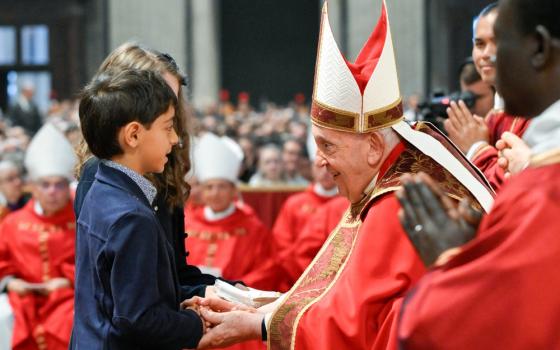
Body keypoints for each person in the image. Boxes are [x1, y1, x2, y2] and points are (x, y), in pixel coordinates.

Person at [193, 2, 494, 349]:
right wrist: (253, 305)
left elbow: (350, 323)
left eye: (329, 146)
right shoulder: (398, 168)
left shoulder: (398, 199)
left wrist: (255, 324)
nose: (319, 161)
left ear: (372, 147)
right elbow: (335, 294)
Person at [397, 0, 560, 347]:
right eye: (480, 44)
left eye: (500, 41)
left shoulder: (547, 191)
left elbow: (472, 324)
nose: (486, 58)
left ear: (539, 48)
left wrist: (450, 261)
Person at [72, 69, 203, 349]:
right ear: (133, 135)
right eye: (168, 127)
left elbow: (119, 296)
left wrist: (176, 303)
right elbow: (138, 320)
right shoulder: (131, 217)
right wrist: (196, 321)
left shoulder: (100, 189)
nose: (175, 139)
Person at [73, 43, 218, 292]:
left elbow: (176, 272)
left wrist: (237, 294)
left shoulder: (164, 169)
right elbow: (128, 298)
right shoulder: (98, 178)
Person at [0, 123, 76, 350]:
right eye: (45, 185)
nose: (52, 192)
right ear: (33, 188)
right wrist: (11, 283)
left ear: (67, 186)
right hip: (22, 301)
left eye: (59, 185)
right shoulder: (13, 222)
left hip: (66, 299)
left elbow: (95, 264)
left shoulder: (82, 221)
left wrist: (68, 280)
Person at [444, 2, 530, 191]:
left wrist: (476, 148)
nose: (486, 54)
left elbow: (516, 192)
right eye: (479, 44)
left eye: (497, 41)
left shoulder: (542, 113)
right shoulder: (492, 118)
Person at [185, 133, 273, 290]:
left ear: (234, 191)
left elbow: (266, 269)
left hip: (236, 301)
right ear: (202, 191)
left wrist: (235, 289)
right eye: (209, 187)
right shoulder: (187, 222)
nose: (215, 193)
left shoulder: (252, 227)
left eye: (222, 187)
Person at [271, 162, 338, 291]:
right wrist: (309, 278)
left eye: (330, 166)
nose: (325, 172)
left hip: (337, 279)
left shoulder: (349, 203)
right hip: (295, 280)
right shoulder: (294, 204)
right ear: (312, 168)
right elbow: (281, 246)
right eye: (320, 166)